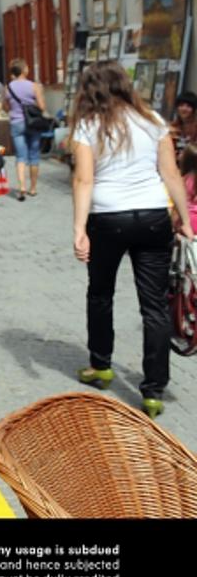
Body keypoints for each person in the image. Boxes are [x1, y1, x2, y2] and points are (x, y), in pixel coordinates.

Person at [69, 61, 193, 419]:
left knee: (101, 292)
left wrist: (79, 229)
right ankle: (154, 389)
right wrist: (185, 220)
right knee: (154, 304)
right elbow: (171, 172)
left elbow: (84, 181)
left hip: (108, 217)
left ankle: (101, 365)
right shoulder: (153, 120)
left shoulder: (88, 125)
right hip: (153, 216)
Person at [4, 58, 46, 200]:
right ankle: (32, 188)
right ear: (24, 70)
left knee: (20, 156)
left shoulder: (8, 87)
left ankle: (21, 186)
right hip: (33, 123)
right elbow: (42, 107)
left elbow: (5, 106)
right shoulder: (34, 86)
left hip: (16, 123)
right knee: (34, 155)